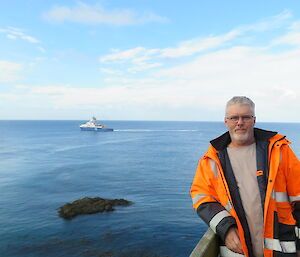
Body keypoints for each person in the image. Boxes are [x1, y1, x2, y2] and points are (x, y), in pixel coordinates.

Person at [190, 96, 300, 257]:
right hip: (237, 251)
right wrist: (226, 228)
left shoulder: (279, 151)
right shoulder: (212, 159)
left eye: (245, 117)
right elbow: (201, 197)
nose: (240, 122)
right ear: (226, 121)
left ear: (254, 120)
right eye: (234, 118)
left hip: (281, 249)